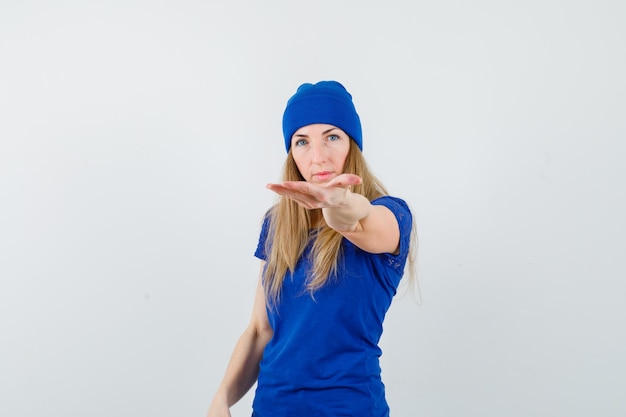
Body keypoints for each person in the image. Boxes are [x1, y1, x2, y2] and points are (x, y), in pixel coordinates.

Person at [207, 80, 417, 417]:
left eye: (332, 137)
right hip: (272, 408)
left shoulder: (391, 214)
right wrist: (221, 399)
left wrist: (339, 205)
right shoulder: (277, 225)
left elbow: (358, 220)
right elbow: (261, 330)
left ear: (353, 144)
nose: (318, 156)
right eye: (302, 142)